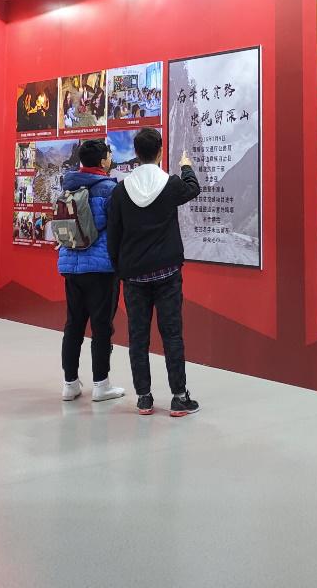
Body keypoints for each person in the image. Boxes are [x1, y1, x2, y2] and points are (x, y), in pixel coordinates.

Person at [106, 127, 202, 417]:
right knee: (172, 334)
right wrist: (186, 167)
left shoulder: (121, 190)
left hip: (134, 276)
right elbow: (193, 188)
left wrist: (120, 268)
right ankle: (179, 397)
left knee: (138, 337)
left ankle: (144, 398)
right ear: (160, 151)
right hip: (167, 274)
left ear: (136, 153)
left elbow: (114, 235)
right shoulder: (170, 185)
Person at [57, 139, 126, 403]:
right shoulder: (109, 189)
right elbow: (117, 227)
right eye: (108, 155)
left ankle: (69, 384)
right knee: (101, 326)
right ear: (103, 161)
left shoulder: (68, 185)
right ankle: (101, 384)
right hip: (100, 268)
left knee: (73, 324)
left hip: (71, 265)